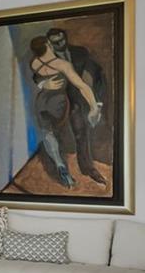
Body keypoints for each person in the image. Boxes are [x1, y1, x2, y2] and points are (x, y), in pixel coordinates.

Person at [29, 36, 103, 188]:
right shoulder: (62, 65)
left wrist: (44, 84)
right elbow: (82, 86)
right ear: (48, 45)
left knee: (48, 134)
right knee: (62, 132)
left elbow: (37, 77)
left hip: (42, 103)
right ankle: (67, 167)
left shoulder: (35, 62)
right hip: (60, 105)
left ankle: (60, 166)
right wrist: (94, 107)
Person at [46, 27, 109, 185]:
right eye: (55, 42)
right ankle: (62, 170)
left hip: (77, 100)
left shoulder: (80, 52)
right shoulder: (47, 58)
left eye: (61, 40)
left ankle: (87, 168)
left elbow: (95, 73)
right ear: (50, 44)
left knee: (81, 133)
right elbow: (36, 74)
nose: (60, 44)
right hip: (56, 101)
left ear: (65, 38)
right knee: (54, 134)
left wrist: (96, 102)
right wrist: (44, 84)